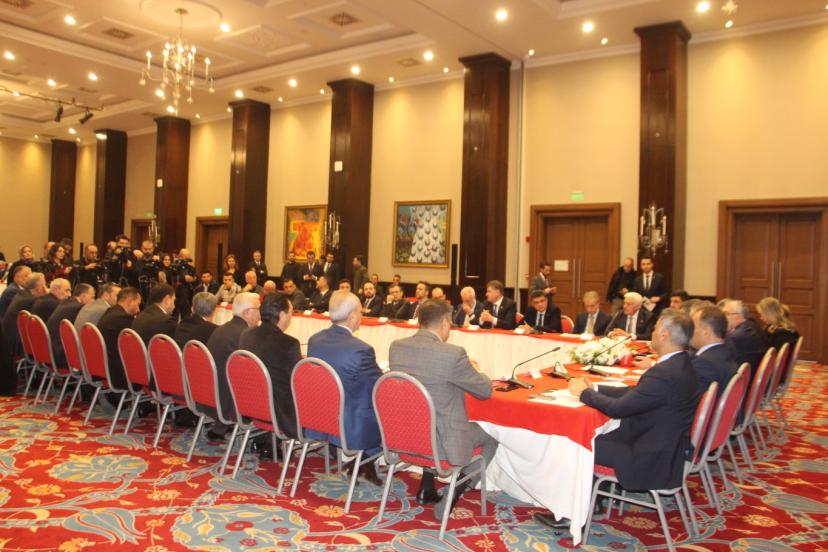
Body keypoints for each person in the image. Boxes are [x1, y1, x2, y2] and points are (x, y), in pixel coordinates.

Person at [542, 310, 701, 531]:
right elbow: (636, 392)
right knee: (599, 434)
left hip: (650, 455)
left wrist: (584, 394)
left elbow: (618, 409)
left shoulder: (664, 373)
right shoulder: (682, 364)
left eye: (655, 328)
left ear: (664, 334)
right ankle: (595, 499)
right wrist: (596, 388)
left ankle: (572, 514)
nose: (652, 332)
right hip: (665, 445)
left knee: (576, 442)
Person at [389, 299, 498, 518]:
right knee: (492, 436)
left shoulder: (396, 347)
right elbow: (484, 391)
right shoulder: (453, 354)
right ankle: (454, 492)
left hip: (405, 436)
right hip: (442, 445)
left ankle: (426, 486)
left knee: (427, 417)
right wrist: (476, 370)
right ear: (445, 323)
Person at [306, 290, 383, 485]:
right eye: (360, 312)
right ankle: (365, 459)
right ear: (352, 316)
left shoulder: (315, 340)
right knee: (388, 406)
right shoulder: (361, 349)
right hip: (348, 420)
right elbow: (379, 386)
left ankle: (363, 463)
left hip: (319, 414)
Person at [238, 292, 300, 442]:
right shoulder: (288, 343)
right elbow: (297, 384)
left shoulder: (246, 334)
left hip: (250, 404)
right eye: (291, 313)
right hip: (281, 413)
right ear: (282, 315)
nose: (291, 318)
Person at [205, 292, 261, 440]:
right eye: (258, 309)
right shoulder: (247, 335)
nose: (260, 315)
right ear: (247, 312)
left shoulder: (221, 329)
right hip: (231, 402)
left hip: (211, 395)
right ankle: (266, 440)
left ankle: (220, 427)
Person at [97, 287, 142, 390]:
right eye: (137, 304)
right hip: (119, 373)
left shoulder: (109, 312)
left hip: (105, 367)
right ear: (129, 301)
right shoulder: (123, 318)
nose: (138, 309)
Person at [691, 306, 738, 396]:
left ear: (706, 331)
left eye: (693, 327)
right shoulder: (726, 351)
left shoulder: (703, 363)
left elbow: (696, 401)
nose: (690, 332)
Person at [46, 283, 94, 368]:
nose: (93, 301)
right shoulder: (78, 308)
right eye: (92, 297)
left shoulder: (66, 302)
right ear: (83, 296)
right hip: (61, 354)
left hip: (50, 348)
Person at [722, 299, 768, 380]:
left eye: (726, 314)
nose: (722, 317)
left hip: (744, 381)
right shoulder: (752, 326)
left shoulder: (736, 337)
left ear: (739, 316)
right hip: (755, 377)